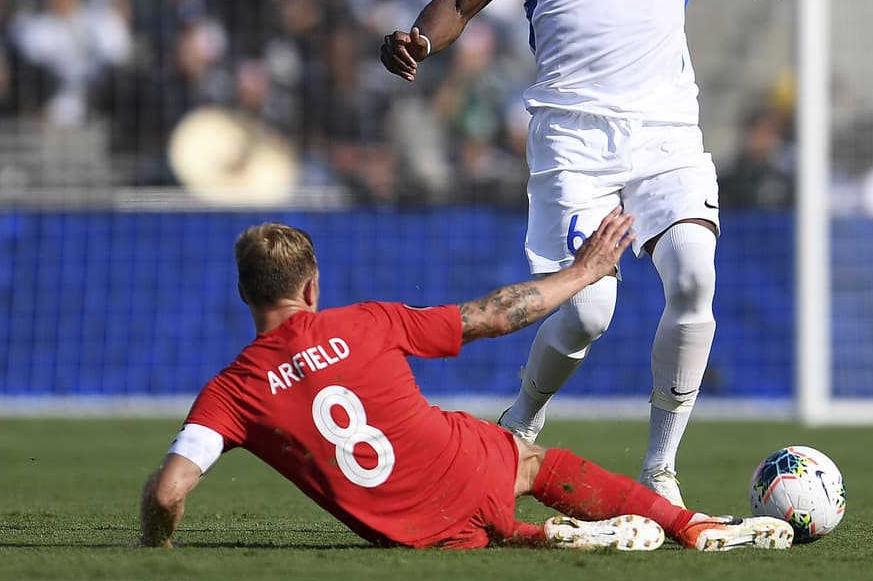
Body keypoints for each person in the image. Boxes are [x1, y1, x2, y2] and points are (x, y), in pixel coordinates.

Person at [380, 0, 873, 506]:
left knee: (695, 280)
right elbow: (464, 0)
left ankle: (660, 468)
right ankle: (521, 420)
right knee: (587, 311)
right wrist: (421, 39)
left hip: (667, 140)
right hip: (573, 142)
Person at [138, 209, 792, 552]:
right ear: (312, 285)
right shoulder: (368, 321)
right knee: (532, 461)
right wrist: (583, 272)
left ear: (245, 293)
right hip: (463, 464)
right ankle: (684, 524)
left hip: (406, 528)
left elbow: (169, 491)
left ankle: (539, 538)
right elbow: (492, 317)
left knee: (481, 527)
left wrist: (156, 542)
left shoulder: (230, 393)